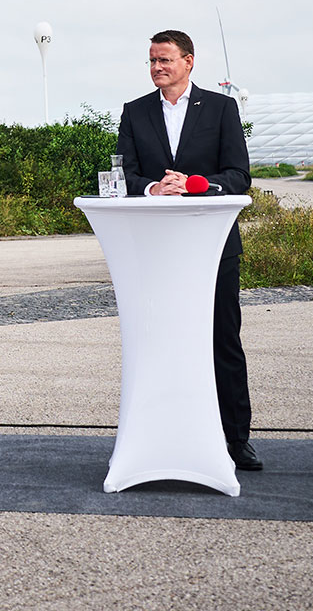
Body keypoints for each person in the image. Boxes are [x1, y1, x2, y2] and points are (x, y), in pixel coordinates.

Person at [116, 30, 259, 471]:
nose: (157, 67)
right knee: (159, 340)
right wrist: (154, 187)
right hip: (155, 250)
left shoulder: (221, 109)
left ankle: (236, 439)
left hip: (212, 245)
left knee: (222, 340)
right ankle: (163, 432)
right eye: (152, 61)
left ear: (189, 61)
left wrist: (197, 187)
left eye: (165, 60)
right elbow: (126, 174)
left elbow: (239, 175)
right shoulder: (135, 112)